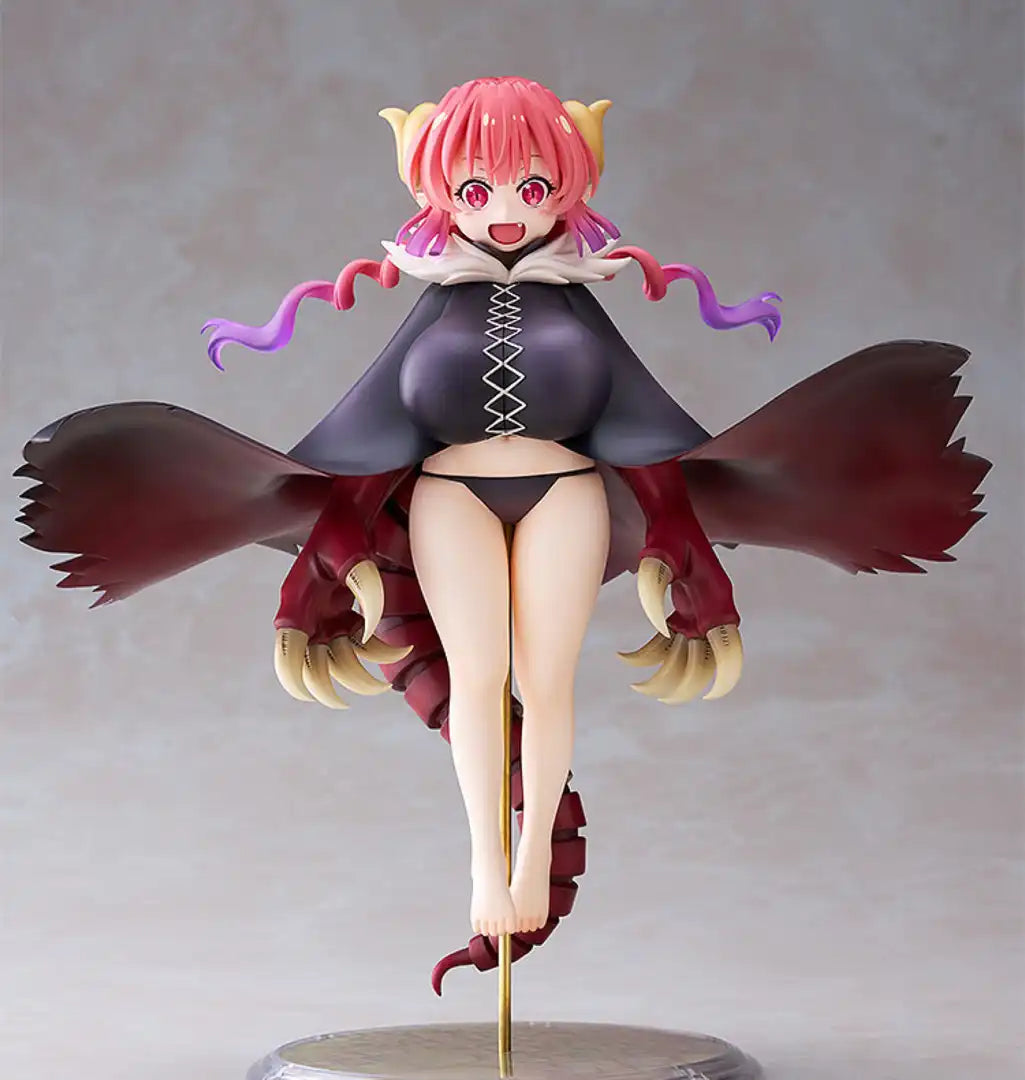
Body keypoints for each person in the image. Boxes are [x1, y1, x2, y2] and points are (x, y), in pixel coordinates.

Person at [17, 76, 989, 994]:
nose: (507, 210)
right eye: (476, 189)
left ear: (569, 185)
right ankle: (486, 867)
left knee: (547, 679)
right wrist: (327, 552)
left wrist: (679, 535)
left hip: (566, 492)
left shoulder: (579, 304)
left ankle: (530, 867)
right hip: (449, 498)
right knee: (478, 678)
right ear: (436, 191)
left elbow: (639, 428)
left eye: (532, 185)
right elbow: (373, 435)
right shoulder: (432, 304)